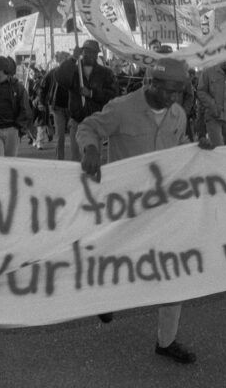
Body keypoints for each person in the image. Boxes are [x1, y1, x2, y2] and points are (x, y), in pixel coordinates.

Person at [76, 57, 197, 364]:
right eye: (167, 90)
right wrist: (91, 148)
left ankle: (166, 341)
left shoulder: (178, 114)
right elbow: (88, 127)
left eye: (178, 91)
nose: (173, 97)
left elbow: (181, 146)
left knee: (173, 269)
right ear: (150, 83)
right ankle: (106, 295)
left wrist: (197, 150)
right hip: (125, 206)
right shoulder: (121, 108)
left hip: (163, 206)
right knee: (116, 259)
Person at [55, 40, 119, 157]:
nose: (89, 54)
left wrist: (91, 93)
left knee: (93, 157)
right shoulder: (74, 71)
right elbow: (60, 78)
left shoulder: (105, 73)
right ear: (82, 52)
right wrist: (73, 58)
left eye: (92, 52)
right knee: (76, 160)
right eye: (86, 51)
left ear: (96, 54)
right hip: (77, 121)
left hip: (95, 121)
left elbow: (113, 95)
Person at [40, 51, 72, 160]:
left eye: (67, 60)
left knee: (76, 135)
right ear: (59, 61)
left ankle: (76, 159)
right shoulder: (52, 73)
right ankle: (60, 160)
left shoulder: (74, 72)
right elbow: (43, 87)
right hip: (58, 107)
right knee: (60, 136)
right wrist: (42, 101)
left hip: (72, 108)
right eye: (64, 60)